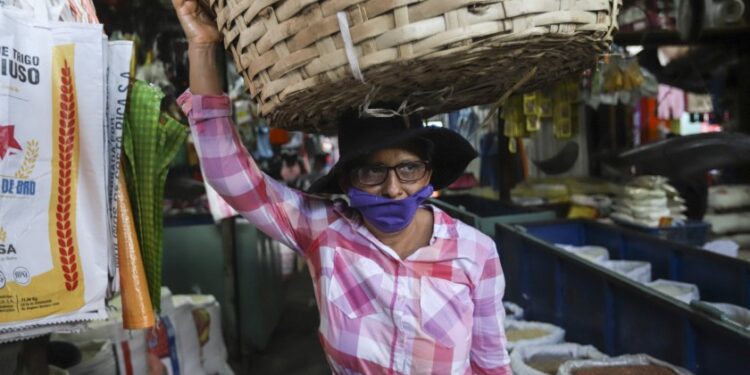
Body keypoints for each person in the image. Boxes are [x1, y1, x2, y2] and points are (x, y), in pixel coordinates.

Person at [172, 0, 511, 373]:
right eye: (372, 173)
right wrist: (203, 46)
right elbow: (229, 175)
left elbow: (491, 365)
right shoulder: (325, 231)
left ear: (428, 174)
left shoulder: (476, 253)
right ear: (347, 181)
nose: (394, 190)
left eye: (409, 169)